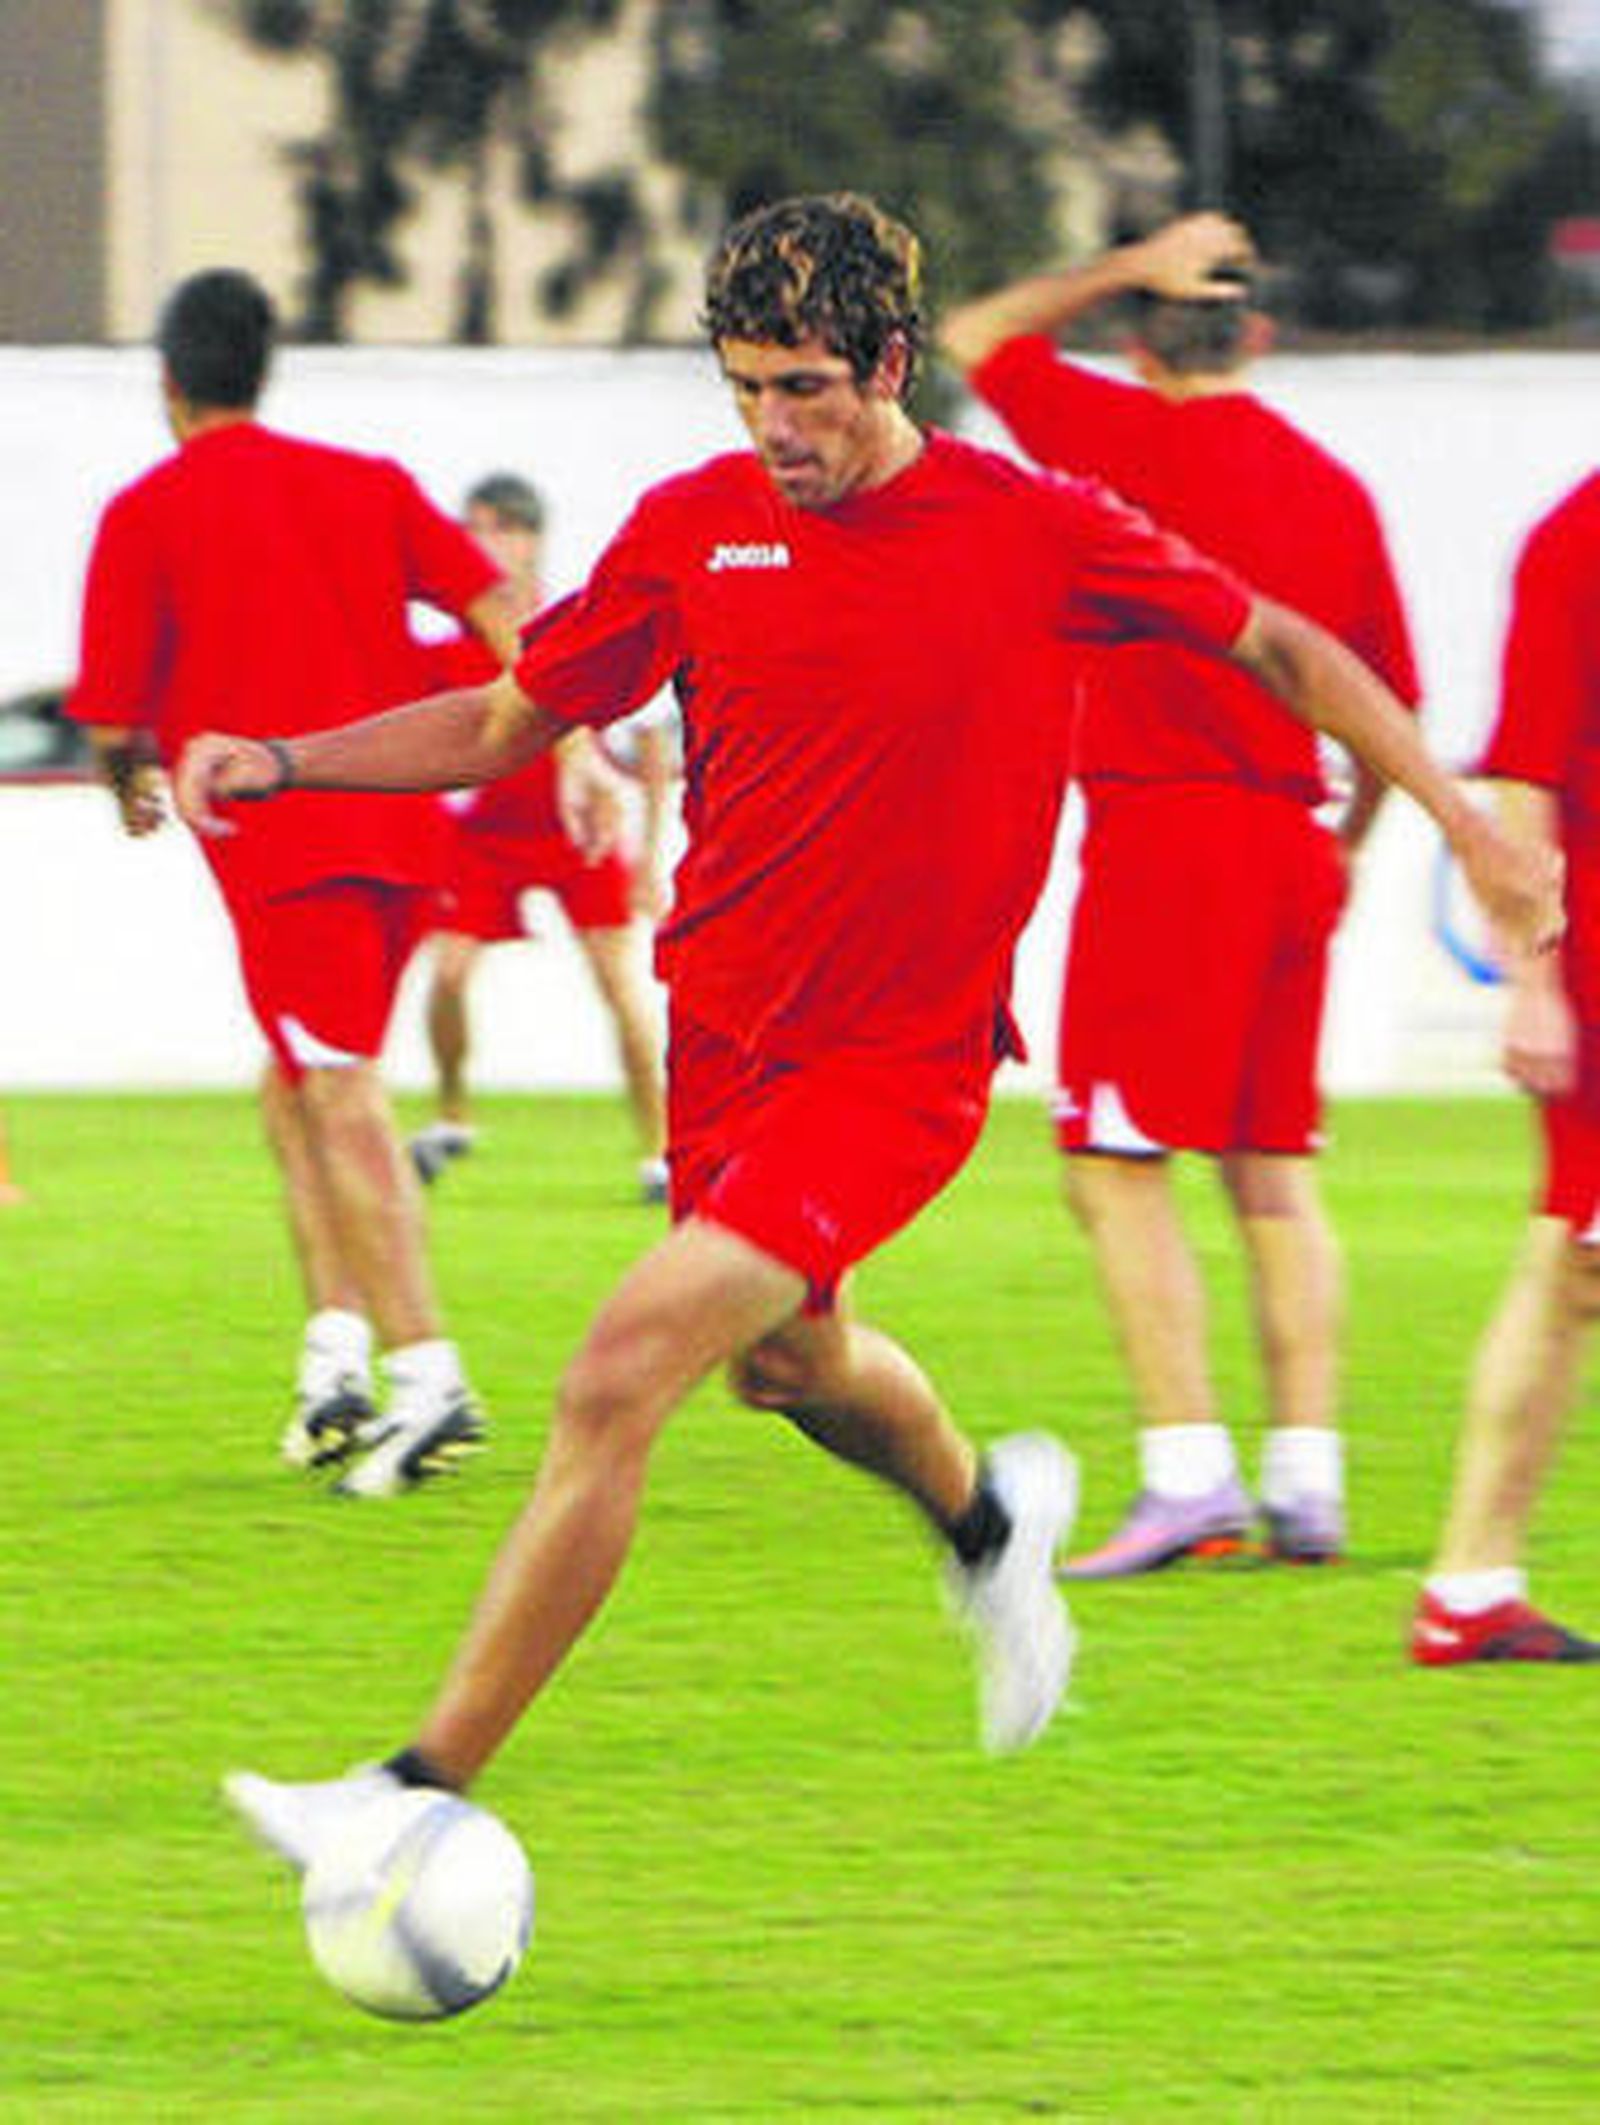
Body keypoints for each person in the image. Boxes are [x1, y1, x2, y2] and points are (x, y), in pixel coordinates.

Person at [174, 194, 1553, 1862]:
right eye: (748, 387)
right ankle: (985, 1524)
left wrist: (1467, 824)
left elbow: (1278, 643)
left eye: (809, 387)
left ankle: (409, 1800)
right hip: (724, 1040)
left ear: (893, 364)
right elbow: (491, 716)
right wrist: (286, 756)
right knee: (787, 1363)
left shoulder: (1031, 525)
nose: (779, 426)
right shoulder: (694, 529)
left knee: (618, 1376)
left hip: (893, 1069)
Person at [940, 213, 1421, 1575]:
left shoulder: (1119, 439)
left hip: (1167, 835)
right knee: (1271, 1173)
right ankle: (1307, 1481)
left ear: (1144, 341)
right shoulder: (1334, 489)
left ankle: (1188, 1473)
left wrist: (1117, 262)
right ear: (1257, 335)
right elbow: (1388, 698)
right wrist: (1348, 851)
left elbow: (977, 337)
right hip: (1295, 840)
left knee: (1114, 1161)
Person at [68, 267, 531, 1498]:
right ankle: (335, 1360)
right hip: (404, 844)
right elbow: (497, 599)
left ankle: (429, 1380)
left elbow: (110, 715)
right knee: (291, 1090)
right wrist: (566, 729)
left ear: (168, 382)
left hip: (291, 857)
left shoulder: (149, 510)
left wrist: (127, 790)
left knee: (333, 1095)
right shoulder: (366, 486)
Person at [1413, 473, 1600, 1665]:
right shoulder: (1572, 542)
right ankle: (1468, 1581)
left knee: (1573, 1261)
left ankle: (1470, 1586)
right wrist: (1532, 980)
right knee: (1577, 1258)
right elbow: (1522, 771)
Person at [407, 471, 673, 1205]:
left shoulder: (575, 620)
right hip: (486, 835)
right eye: (472, 528)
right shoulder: (453, 642)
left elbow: (648, 740)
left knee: (621, 987)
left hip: (577, 832)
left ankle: (659, 1150)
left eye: (495, 527)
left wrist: (649, 858)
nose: (481, 543)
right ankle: (452, 1112)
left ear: (530, 537)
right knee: (450, 975)